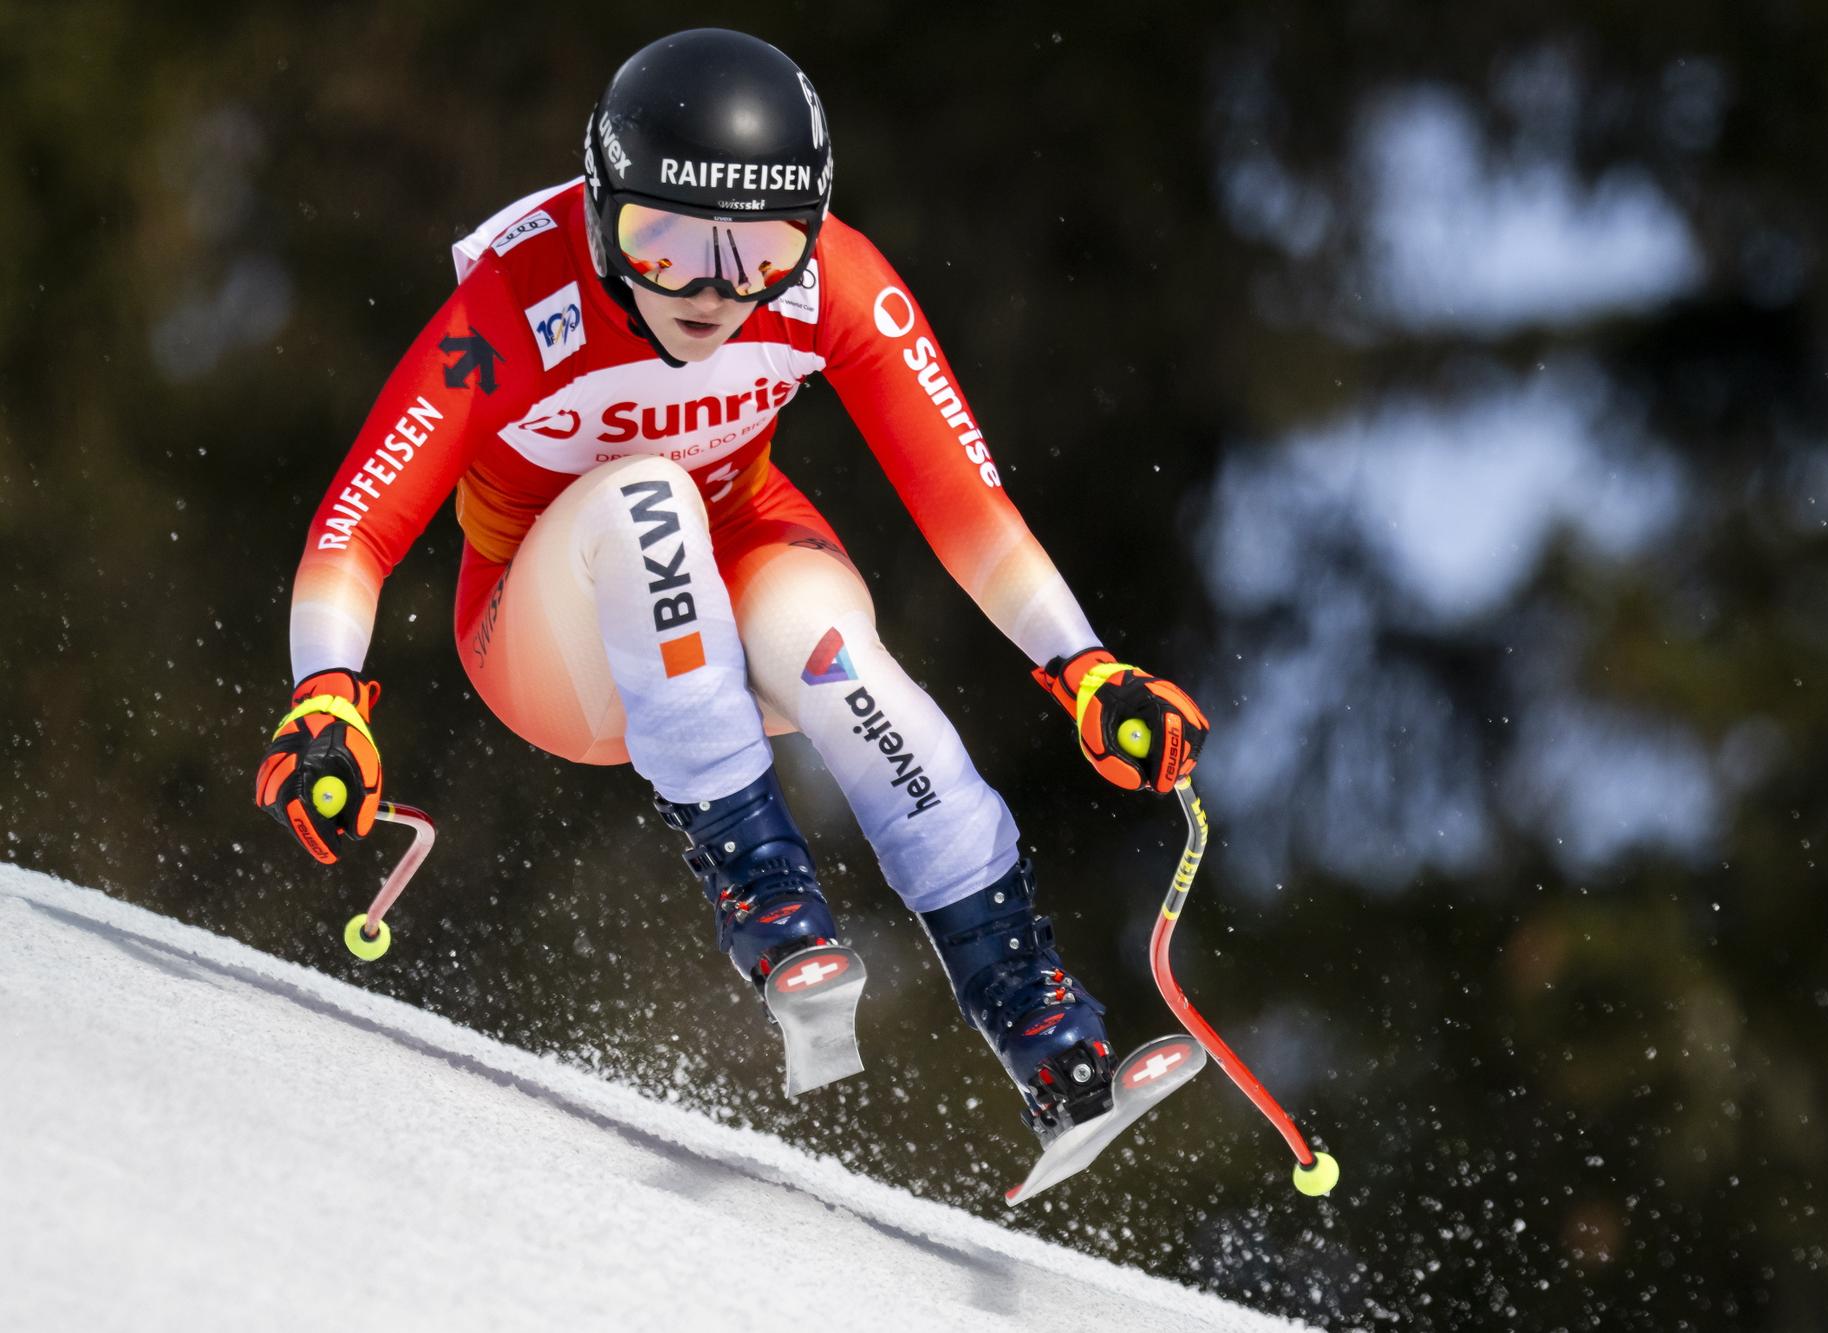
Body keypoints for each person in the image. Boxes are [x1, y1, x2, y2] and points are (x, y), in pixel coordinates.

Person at [254, 28, 1209, 1147]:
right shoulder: (520, 299)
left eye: (758, 252)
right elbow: (357, 522)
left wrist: (1084, 666)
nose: (711, 292)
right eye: (662, 241)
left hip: (734, 563)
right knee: (640, 493)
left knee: (834, 652)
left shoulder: (836, 281)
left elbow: (963, 501)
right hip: (549, 636)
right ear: (599, 212)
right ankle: (766, 897)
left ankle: (1040, 1024)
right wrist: (324, 695)